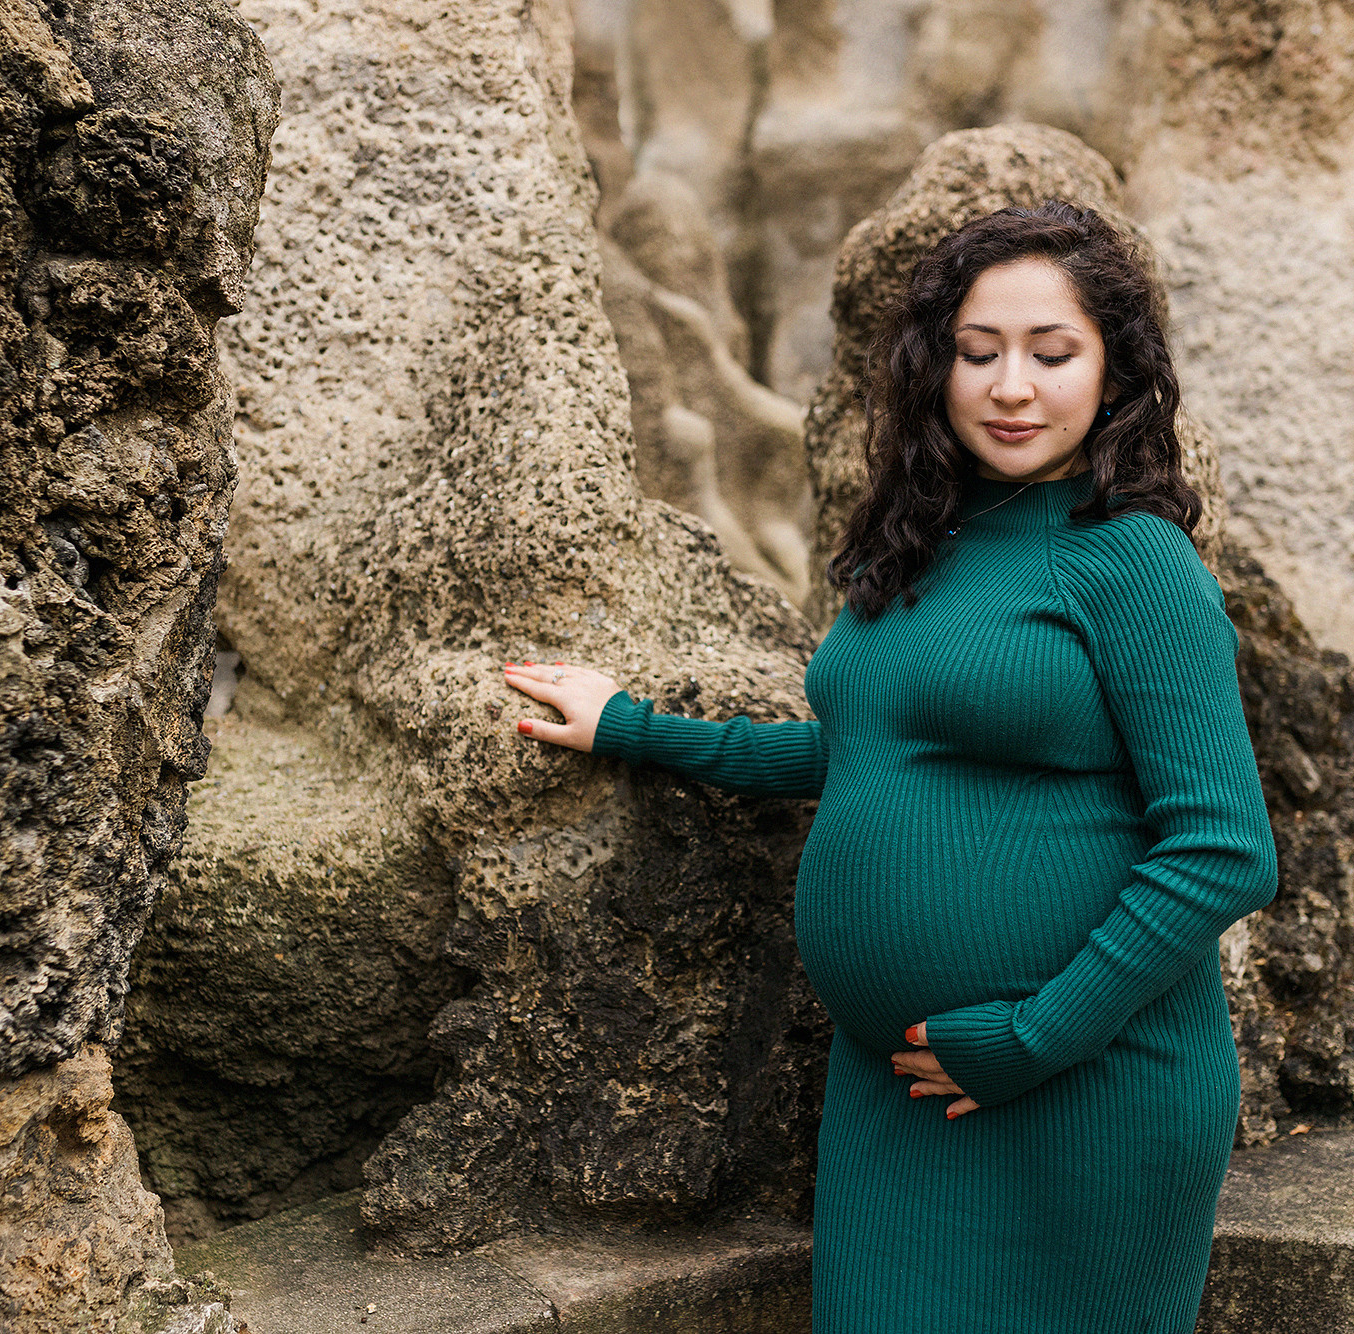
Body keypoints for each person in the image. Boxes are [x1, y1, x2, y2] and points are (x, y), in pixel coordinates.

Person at [499, 199, 1279, 1333]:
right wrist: (631, 728)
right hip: (898, 1083)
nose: (1011, 387)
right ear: (934, 367)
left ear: (1114, 373)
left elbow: (1223, 848)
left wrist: (1029, 1039)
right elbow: (868, 748)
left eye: (1051, 353)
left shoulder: (1134, 561)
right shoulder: (918, 546)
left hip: (1086, 1082)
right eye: (979, 352)